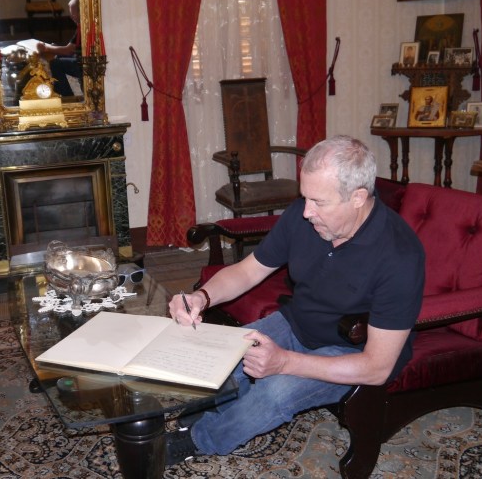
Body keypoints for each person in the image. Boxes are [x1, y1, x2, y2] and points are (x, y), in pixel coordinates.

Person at [164, 135, 425, 466]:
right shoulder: (304, 217)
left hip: (351, 350)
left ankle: (200, 439)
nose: (306, 212)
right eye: (305, 198)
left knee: (275, 392)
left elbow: (377, 367)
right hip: (297, 321)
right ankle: (216, 408)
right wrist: (201, 297)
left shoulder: (400, 255)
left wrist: (285, 363)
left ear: (358, 198)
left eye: (318, 202)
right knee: (225, 354)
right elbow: (247, 271)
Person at [35, 0, 82, 97]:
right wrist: (54, 48)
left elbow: (68, 51)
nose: (71, 16)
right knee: (57, 54)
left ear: (81, 12)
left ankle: (66, 96)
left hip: (83, 64)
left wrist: (46, 48)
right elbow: (72, 47)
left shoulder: (84, 27)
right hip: (79, 57)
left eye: (73, 13)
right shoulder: (81, 25)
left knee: (55, 64)